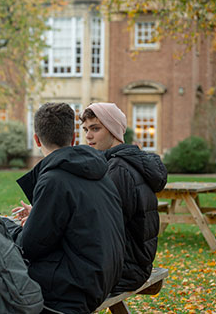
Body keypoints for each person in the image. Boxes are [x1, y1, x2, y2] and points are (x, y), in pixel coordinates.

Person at [11, 102, 126, 313]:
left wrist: (21, 229)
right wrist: (36, 217)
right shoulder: (100, 172)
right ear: (73, 139)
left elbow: (29, 246)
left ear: (36, 139)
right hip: (105, 275)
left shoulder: (54, 179)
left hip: (76, 287)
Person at [80, 102, 167, 294]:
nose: (88, 136)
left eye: (95, 129)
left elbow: (101, 227)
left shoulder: (118, 169)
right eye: (86, 129)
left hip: (124, 270)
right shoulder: (122, 163)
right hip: (132, 264)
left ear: (112, 130)